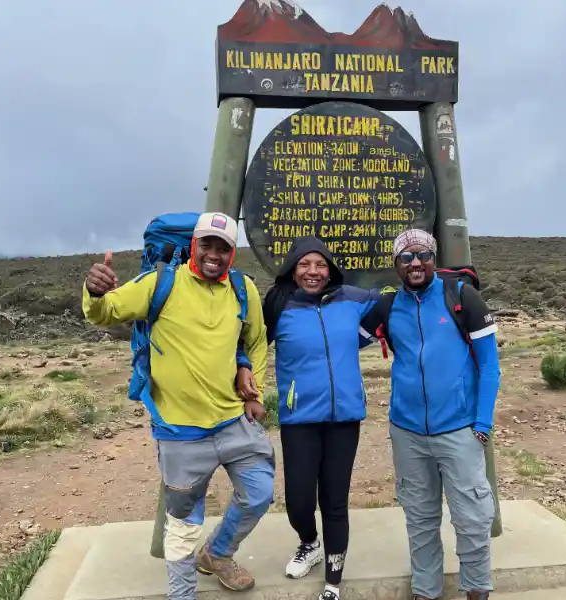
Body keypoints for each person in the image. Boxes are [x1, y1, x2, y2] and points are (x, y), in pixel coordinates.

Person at [82, 212, 274, 600]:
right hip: (180, 431)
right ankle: (182, 594)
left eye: (223, 249)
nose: (214, 255)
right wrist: (96, 291)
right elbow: (104, 314)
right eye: (207, 245)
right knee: (184, 524)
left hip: (233, 421)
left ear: (232, 254)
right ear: (193, 245)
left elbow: (256, 339)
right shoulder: (160, 283)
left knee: (259, 494)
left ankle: (218, 554)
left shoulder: (243, 289)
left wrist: (254, 388)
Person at [360, 229, 500, 600]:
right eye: (406, 257)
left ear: (433, 259)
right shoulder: (388, 307)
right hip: (407, 432)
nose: (415, 263)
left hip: (460, 429)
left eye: (422, 255)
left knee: (471, 517)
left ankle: (476, 588)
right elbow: (349, 337)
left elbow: (489, 367)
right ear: (396, 264)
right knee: (420, 519)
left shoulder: (462, 298)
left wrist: (482, 424)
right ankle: (426, 590)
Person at [238, 236, 379, 600]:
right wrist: (243, 371)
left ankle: (333, 582)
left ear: (330, 269)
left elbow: (395, 303)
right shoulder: (279, 303)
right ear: (293, 269)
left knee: (335, 501)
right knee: (299, 501)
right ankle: (309, 543)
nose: (313, 271)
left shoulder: (352, 298)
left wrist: (458, 279)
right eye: (304, 264)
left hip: (345, 417)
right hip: (299, 417)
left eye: (320, 265)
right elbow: (250, 341)